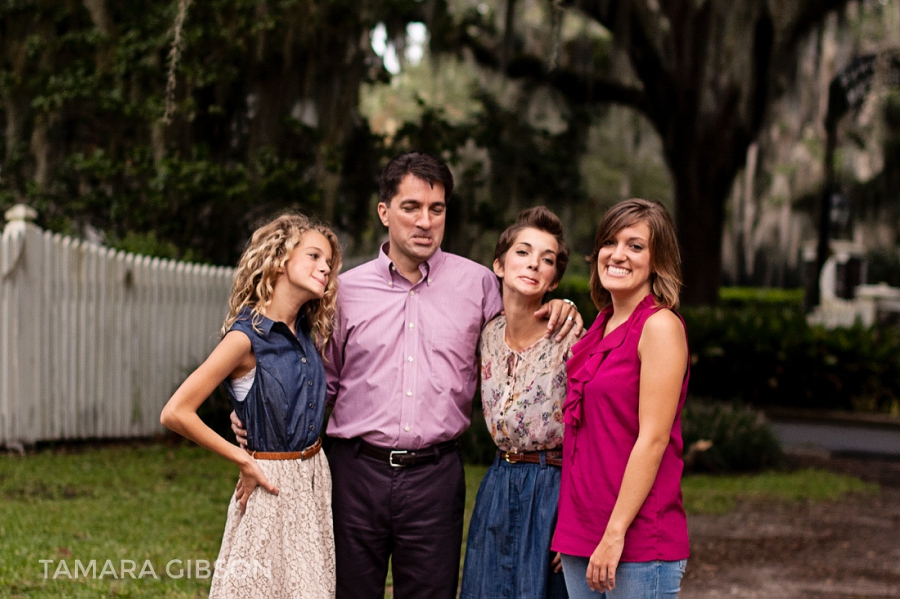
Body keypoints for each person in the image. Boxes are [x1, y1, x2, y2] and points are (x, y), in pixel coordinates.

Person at [232, 152, 583, 599]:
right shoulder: (345, 291)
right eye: (411, 207)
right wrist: (259, 418)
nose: (425, 221)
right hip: (355, 473)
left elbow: (517, 338)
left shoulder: (476, 285)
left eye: (436, 210)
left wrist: (562, 305)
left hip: (435, 478)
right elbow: (318, 385)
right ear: (384, 212)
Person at [160, 213, 341, 598]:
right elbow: (175, 412)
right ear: (279, 259)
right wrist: (243, 459)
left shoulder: (307, 332)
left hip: (314, 480)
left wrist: (246, 411)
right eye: (313, 256)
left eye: (328, 261)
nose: (325, 267)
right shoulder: (246, 339)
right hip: (270, 484)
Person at [552, 198, 690, 598]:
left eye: (635, 245)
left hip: (637, 539)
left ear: (657, 259)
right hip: (582, 535)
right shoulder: (599, 327)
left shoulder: (660, 327)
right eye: (610, 242)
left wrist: (614, 535)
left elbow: (653, 440)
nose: (618, 254)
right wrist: (573, 530)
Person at [459, 206, 577, 599]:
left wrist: (578, 520)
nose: (533, 264)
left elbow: (592, 433)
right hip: (498, 482)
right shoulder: (487, 333)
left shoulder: (572, 337)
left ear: (554, 280)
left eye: (547, 260)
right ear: (499, 264)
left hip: (554, 486)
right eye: (523, 252)